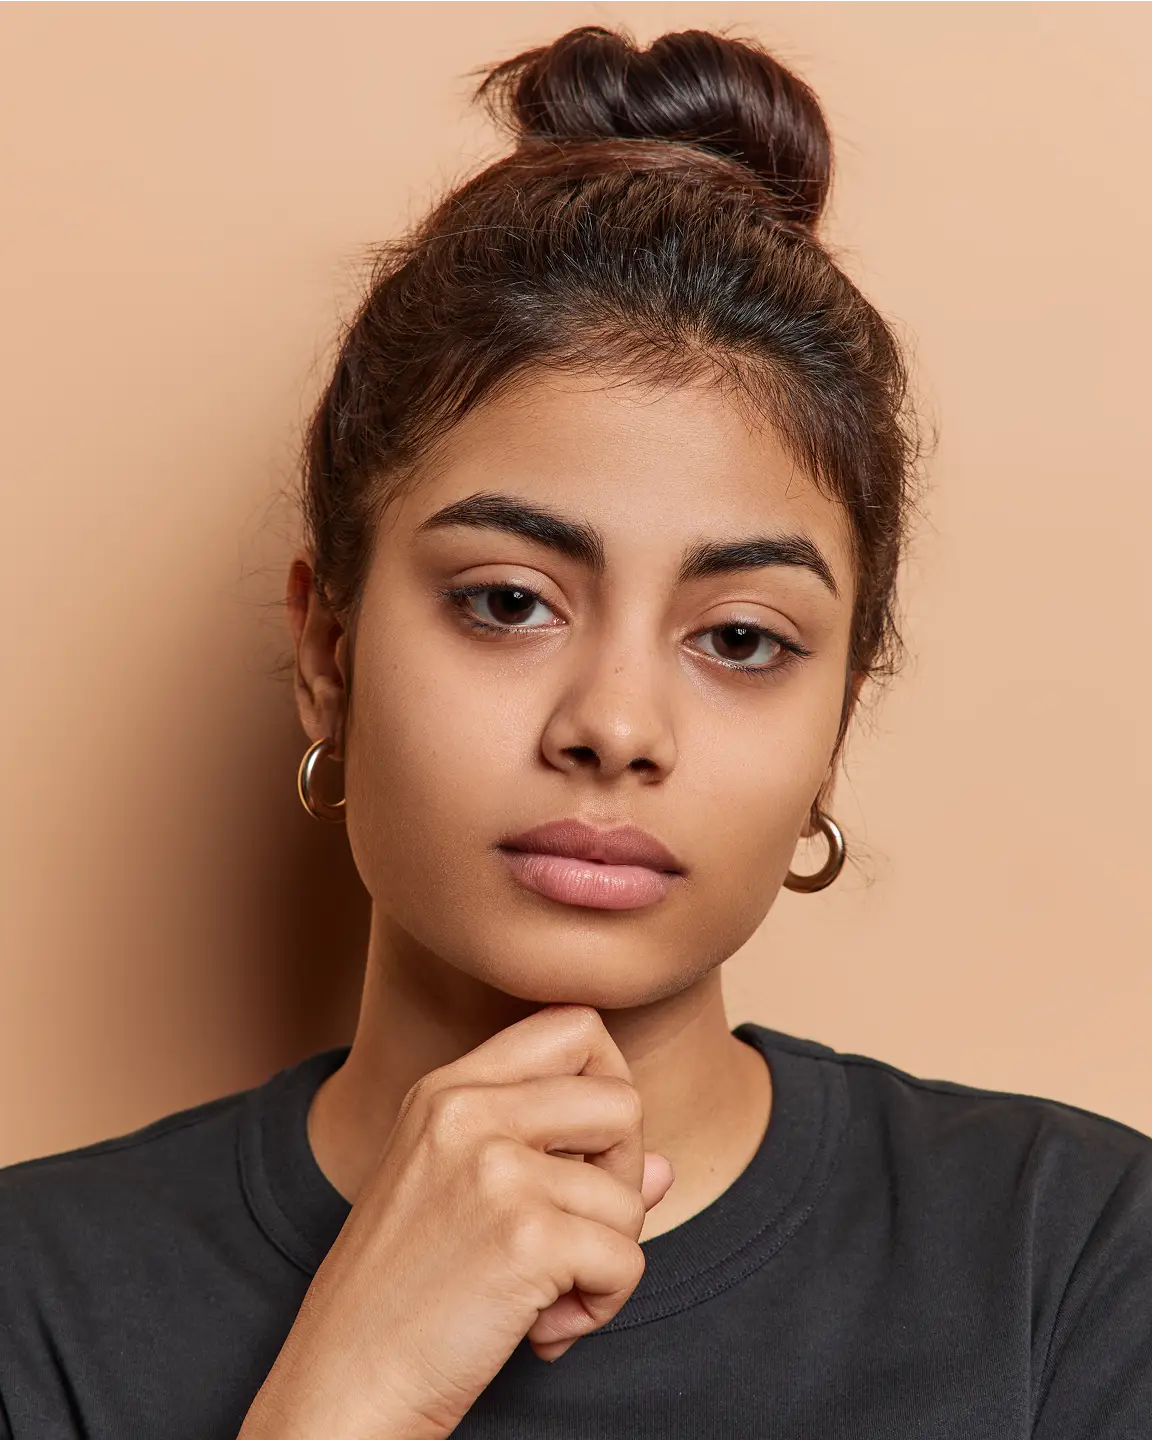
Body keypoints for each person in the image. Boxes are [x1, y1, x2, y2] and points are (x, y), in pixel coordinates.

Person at [1, 23, 1149, 1440]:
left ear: (835, 730)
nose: (614, 726)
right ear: (328, 652)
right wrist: (347, 1399)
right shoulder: (31, 1305)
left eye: (740, 640)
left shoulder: (1078, 1263)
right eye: (506, 602)